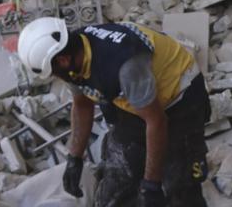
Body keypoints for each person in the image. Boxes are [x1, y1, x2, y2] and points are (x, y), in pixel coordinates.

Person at [18, 18, 210, 207]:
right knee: (118, 178)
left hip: (180, 100)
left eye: (53, 72)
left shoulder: (123, 66)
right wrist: (74, 158)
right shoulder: (74, 54)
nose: (55, 77)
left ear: (63, 60)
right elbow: (82, 105)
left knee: (179, 185)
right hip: (135, 101)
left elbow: (156, 122)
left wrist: (151, 184)